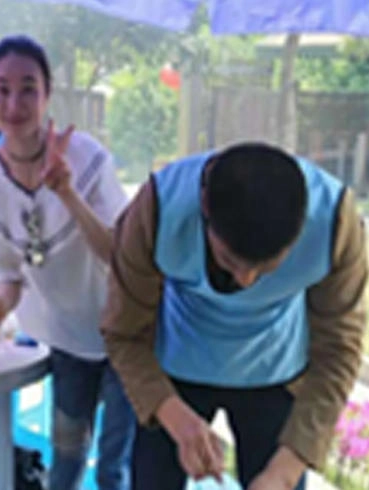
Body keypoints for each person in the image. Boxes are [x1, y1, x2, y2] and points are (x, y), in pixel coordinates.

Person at [102, 142, 367, 490]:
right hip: (175, 366)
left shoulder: (336, 223)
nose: (246, 281)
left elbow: (339, 349)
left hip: (274, 371)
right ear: (205, 207)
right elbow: (123, 332)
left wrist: (285, 471)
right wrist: (173, 415)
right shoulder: (157, 209)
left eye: (267, 268)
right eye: (229, 262)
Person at [0, 36, 134, 490]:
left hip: (127, 331)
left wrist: (67, 193)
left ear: (48, 93)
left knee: (115, 469)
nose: (14, 104)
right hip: (70, 337)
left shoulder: (86, 159)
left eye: (28, 89)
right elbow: (9, 275)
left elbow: (120, 255)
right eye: (2, 89)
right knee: (67, 461)